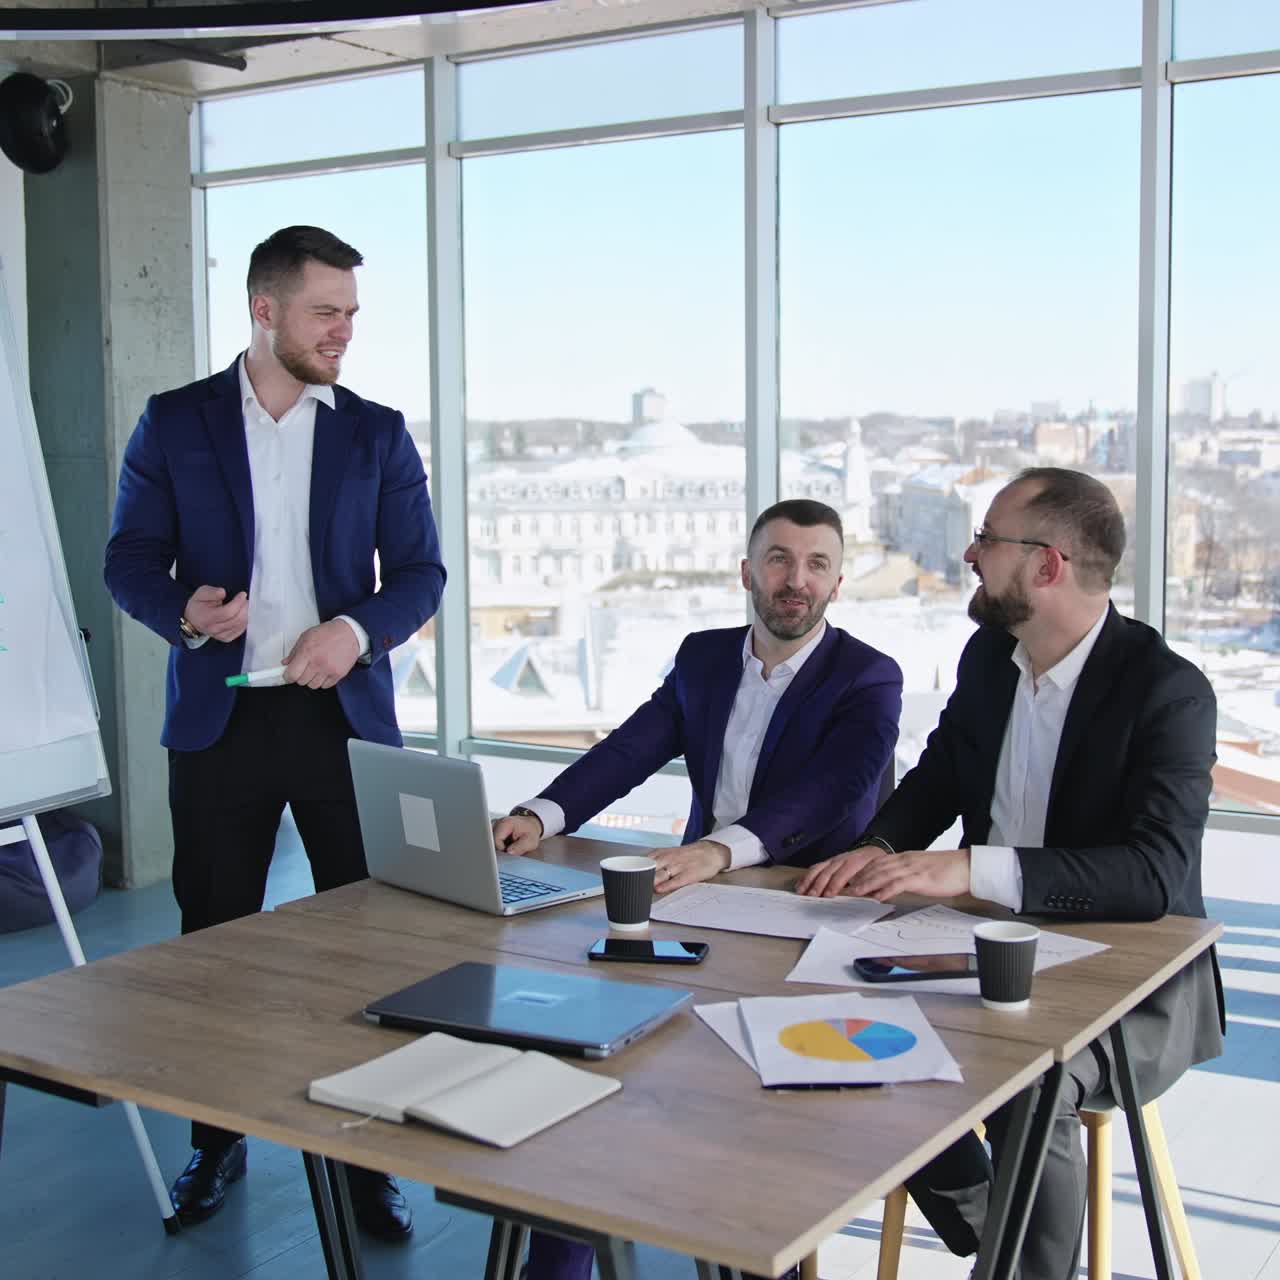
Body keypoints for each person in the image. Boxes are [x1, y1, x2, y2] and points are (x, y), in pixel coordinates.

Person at [797, 467, 1224, 1280]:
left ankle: (1019, 1260)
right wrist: (883, 848)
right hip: (986, 946)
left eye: (988, 540)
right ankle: (993, 1226)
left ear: (1047, 564)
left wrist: (967, 867)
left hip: (1134, 983)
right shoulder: (992, 656)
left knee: (1034, 1079)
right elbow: (942, 774)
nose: (969, 552)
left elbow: (1156, 877)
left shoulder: (1168, 692)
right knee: (842, 1019)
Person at [104, 225, 445, 1238]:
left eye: (349, 312)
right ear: (265, 311)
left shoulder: (377, 432)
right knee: (213, 945)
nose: (344, 330)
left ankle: (362, 1157)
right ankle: (216, 1142)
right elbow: (129, 554)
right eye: (324, 311)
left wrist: (354, 629)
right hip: (219, 723)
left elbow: (420, 573)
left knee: (361, 951)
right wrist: (181, 611)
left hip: (344, 720)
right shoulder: (174, 421)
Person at [493, 497, 902, 1280]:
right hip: (692, 906)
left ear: (839, 583)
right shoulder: (703, 656)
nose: (796, 580)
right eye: (779, 559)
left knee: (748, 1119)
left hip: (805, 916)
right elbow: (630, 749)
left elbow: (838, 792)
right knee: (592, 1070)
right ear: (747, 572)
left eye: (817, 564)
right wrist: (541, 815)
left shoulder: (868, 676)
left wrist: (720, 850)